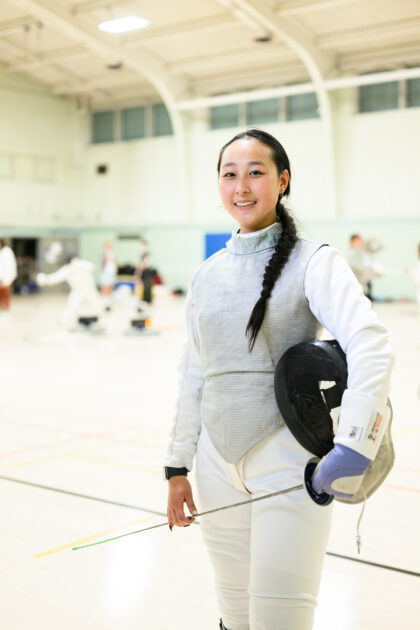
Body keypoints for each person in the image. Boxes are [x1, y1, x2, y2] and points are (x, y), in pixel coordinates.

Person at [164, 129, 393, 630]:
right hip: (214, 466)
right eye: (230, 175)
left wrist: (355, 443)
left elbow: (370, 342)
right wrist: (177, 466)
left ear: (282, 180)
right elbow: (194, 374)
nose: (241, 186)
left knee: (278, 621)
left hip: (290, 466)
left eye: (256, 172)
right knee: (234, 616)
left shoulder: (314, 260)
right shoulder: (206, 275)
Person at [37, 254, 102, 329]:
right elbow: (55, 277)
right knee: (71, 306)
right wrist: (45, 279)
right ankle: (62, 321)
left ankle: (104, 320)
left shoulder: (81, 264)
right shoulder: (66, 269)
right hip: (78, 291)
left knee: (97, 304)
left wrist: (77, 264)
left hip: (89, 290)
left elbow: (91, 266)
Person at [347, 233, 383, 300]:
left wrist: (375, 239)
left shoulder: (364, 250)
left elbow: (380, 247)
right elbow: (357, 268)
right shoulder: (352, 254)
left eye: (360, 240)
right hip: (359, 283)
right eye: (357, 241)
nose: (360, 242)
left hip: (366, 281)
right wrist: (373, 272)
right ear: (352, 242)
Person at [0, 239, 17, 319]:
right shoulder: (1, 252)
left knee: (5, 296)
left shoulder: (7, 252)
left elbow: (11, 268)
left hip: (6, 279)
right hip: (1, 279)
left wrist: (8, 280)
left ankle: (5, 311)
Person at [100, 241, 117, 310]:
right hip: (106, 272)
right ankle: (104, 301)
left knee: (110, 286)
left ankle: (109, 301)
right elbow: (106, 260)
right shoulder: (103, 253)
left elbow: (114, 261)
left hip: (111, 273)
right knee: (105, 286)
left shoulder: (111, 253)